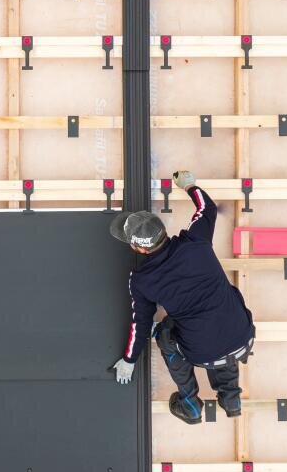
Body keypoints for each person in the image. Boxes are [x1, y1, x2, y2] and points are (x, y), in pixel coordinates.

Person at [109, 170, 256, 424]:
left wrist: (129, 360)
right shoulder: (196, 240)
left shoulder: (142, 280)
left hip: (204, 353)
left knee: (165, 333)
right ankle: (231, 398)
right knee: (223, 305)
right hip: (244, 335)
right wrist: (188, 185)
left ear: (139, 248)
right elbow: (206, 208)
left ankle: (190, 402)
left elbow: (141, 324)